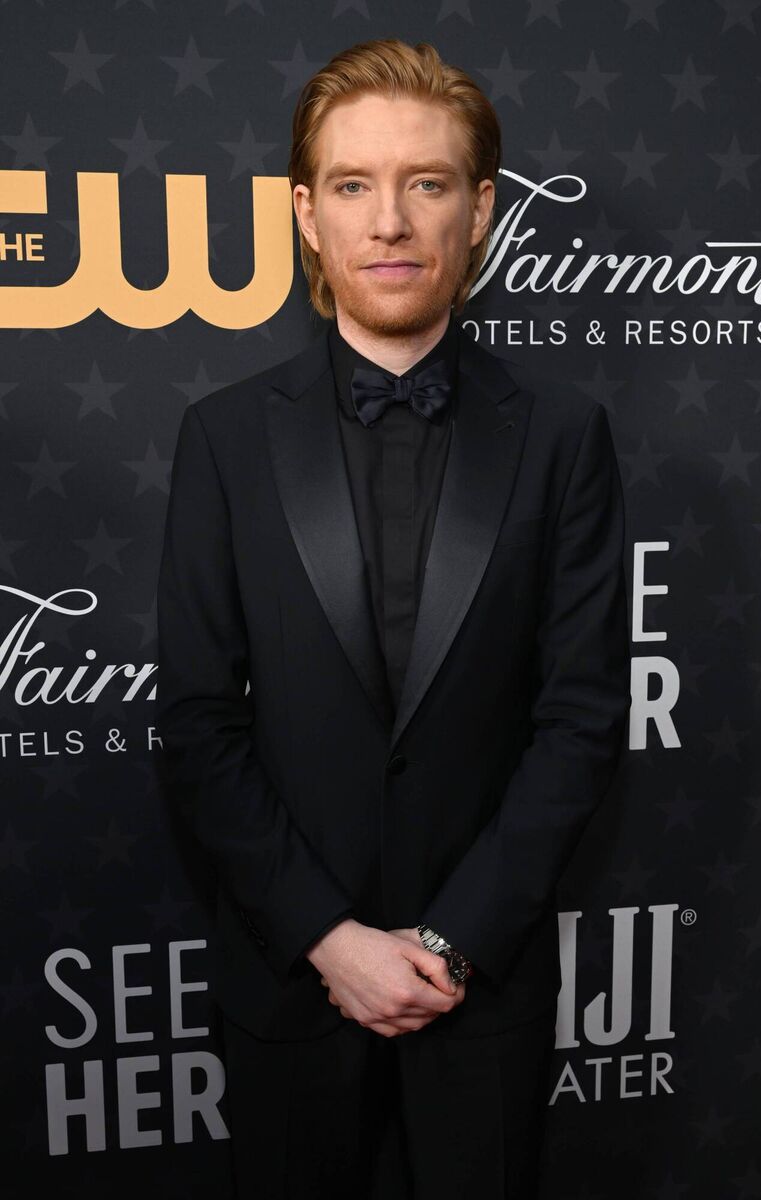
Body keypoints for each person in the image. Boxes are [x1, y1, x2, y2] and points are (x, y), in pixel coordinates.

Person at [155, 37, 630, 1200]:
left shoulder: (563, 437)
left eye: (425, 184)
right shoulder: (223, 439)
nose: (390, 222)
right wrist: (331, 939)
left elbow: (579, 719)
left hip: (484, 990)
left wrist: (448, 942)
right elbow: (200, 723)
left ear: (478, 210)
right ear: (306, 216)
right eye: (354, 186)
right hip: (288, 981)